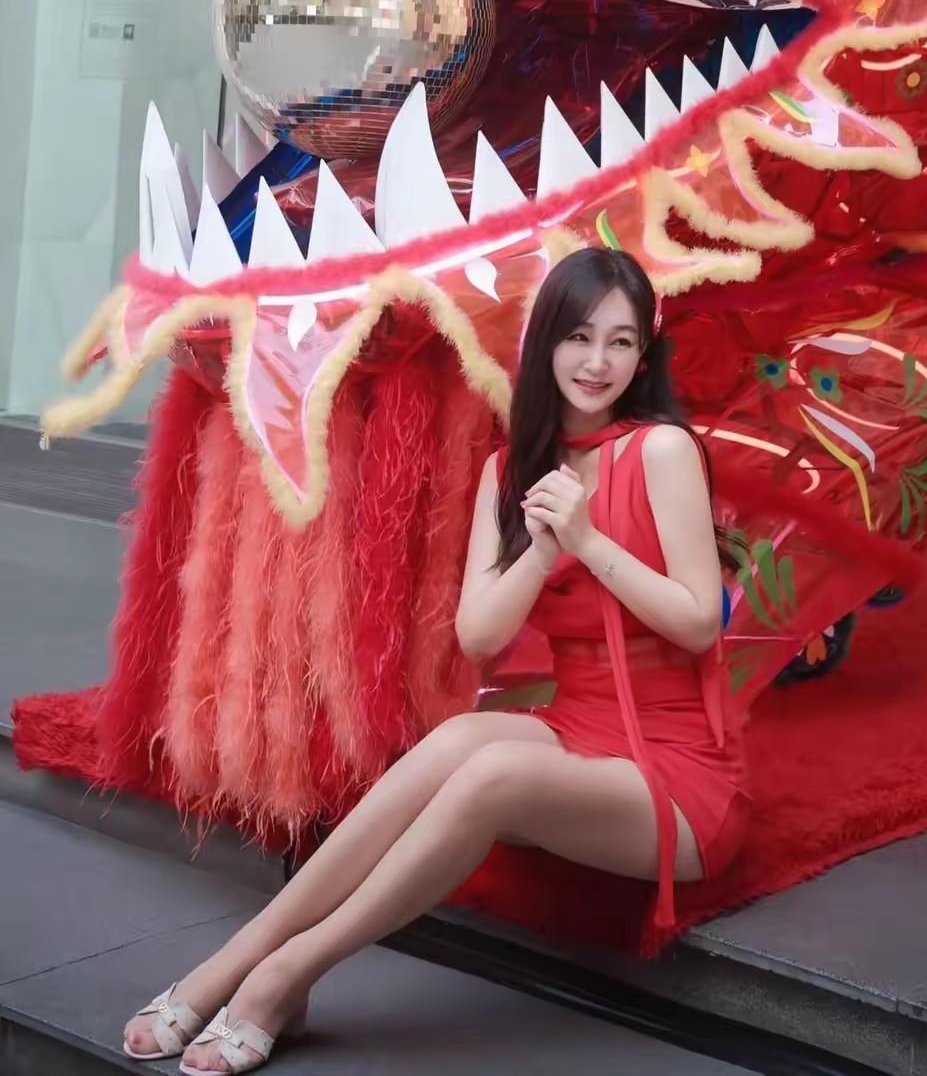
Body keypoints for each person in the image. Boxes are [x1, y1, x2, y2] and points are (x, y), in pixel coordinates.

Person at [123, 246, 750, 1072]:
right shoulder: (510, 472)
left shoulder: (661, 451)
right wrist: (542, 552)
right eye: (579, 336)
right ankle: (236, 959)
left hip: (678, 772)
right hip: (583, 726)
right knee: (454, 741)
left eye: (622, 342)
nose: (597, 362)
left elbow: (699, 623)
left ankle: (286, 975)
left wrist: (590, 541)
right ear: (545, 342)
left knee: (491, 775)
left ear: (643, 356)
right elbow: (479, 636)